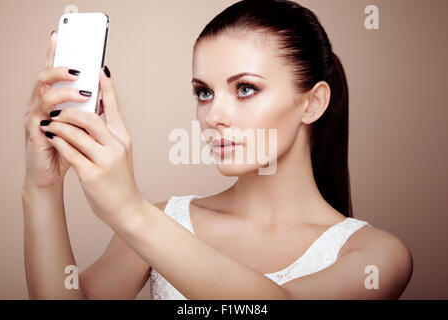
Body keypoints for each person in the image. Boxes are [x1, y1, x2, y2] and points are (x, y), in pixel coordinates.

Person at [22, 0, 412, 300]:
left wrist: (128, 210)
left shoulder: (376, 256)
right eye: (204, 93)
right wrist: (42, 188)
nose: (214, 116)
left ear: (312, 103)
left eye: (245, 88)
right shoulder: (163, 220)